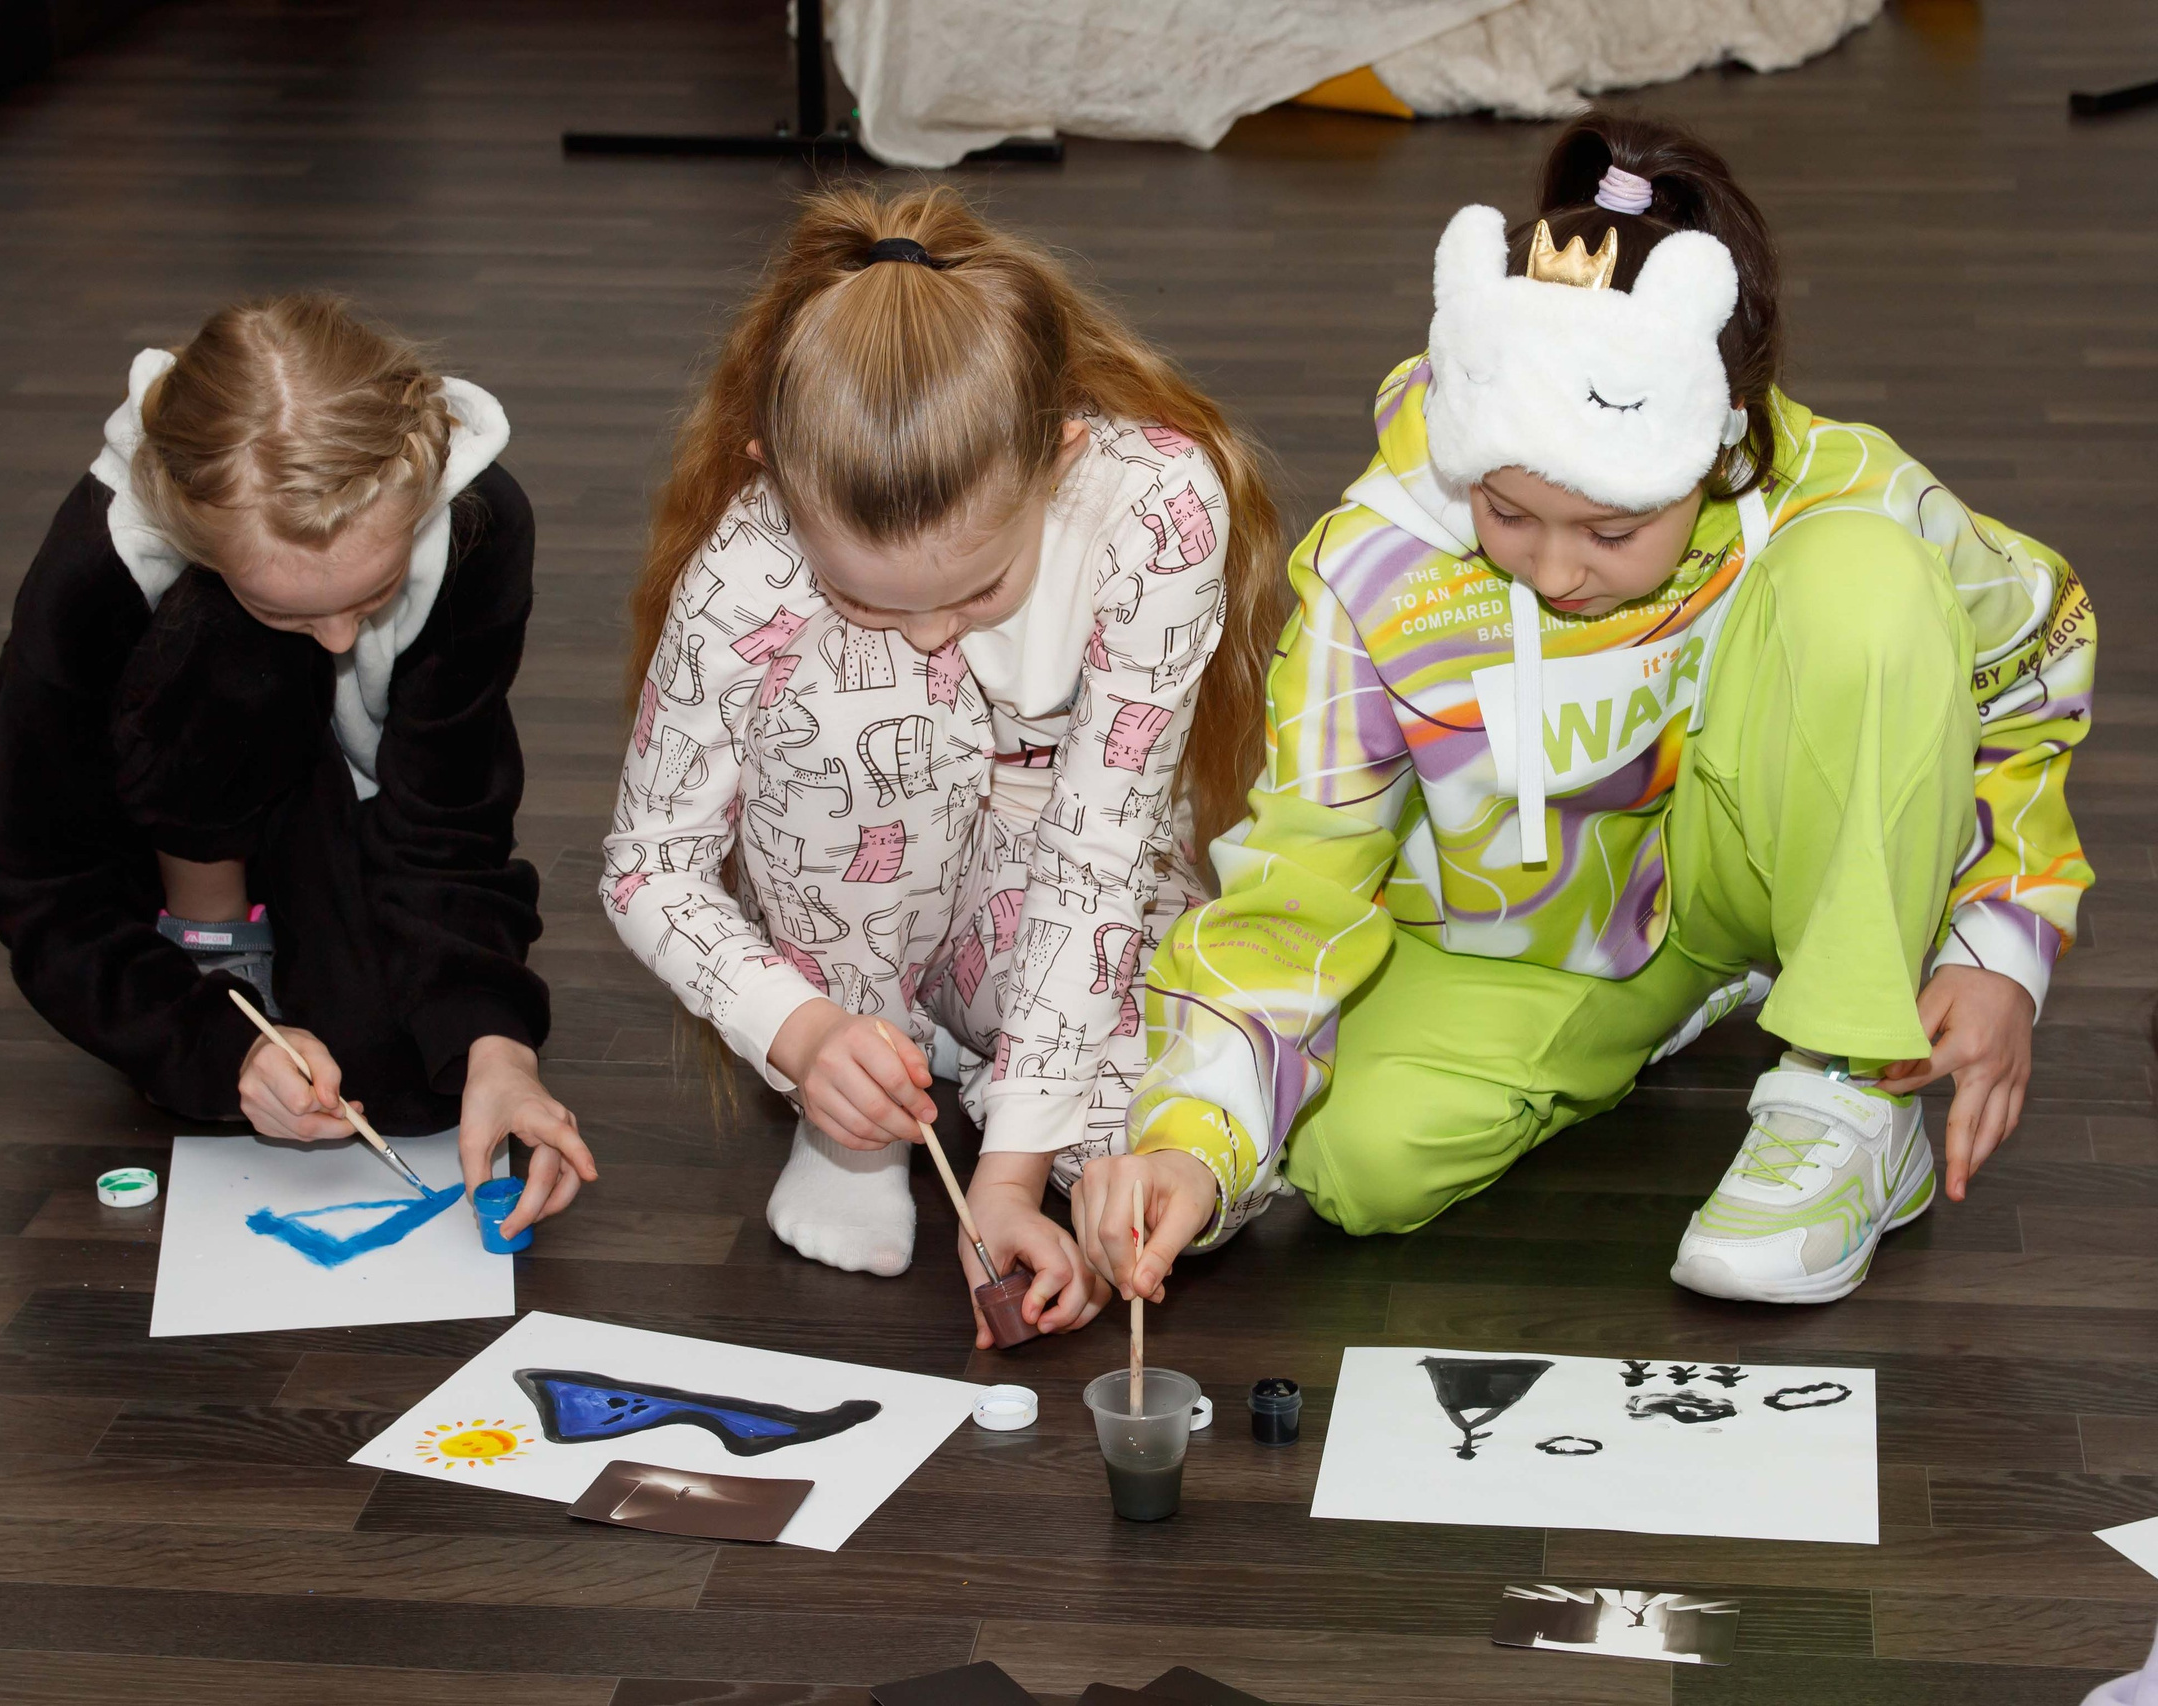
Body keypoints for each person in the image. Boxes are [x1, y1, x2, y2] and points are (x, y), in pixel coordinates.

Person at [1080, 112, 2093, 1308]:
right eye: (1507, 514)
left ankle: (1849, 1080)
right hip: (1554, 938)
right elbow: (1295, 880)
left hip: (1746, 856)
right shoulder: (1374, 567)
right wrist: (1191, 1137)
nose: (1556, 570)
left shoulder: (1839, 483)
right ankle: (1671, 1008)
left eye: (1613, 529)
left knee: (1868, 585)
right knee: (1353, 1162)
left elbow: (2025, 660)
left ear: (1717, 449)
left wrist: (1997, 943)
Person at [604, 186, 1282, 1342]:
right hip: (857, 910)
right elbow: (649, 864)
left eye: (976, 590)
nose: (931, 630)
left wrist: (1012, 1177)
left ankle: (978, 1063)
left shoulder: (1156, 505)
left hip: (1055, 887)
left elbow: (1097, 852)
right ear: (771, 477)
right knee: (870, 693)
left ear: (1057, 458)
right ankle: (865, 1104)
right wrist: (806, 1031)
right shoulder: (750, 563)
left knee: (1175, 1167)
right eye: (865, 592)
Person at [0, 293, 595, 1232]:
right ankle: (207, 930)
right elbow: (35, 871)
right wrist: (208, 1041)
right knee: (229, 641)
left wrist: (495, 1045)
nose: (342, 637)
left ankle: (288, 943)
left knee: (405, 1080)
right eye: (294, 607)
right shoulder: (91, 575)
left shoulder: (481, 523)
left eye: (375, 592)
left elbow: (453, 819)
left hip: (338, 803)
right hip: (147, 822)